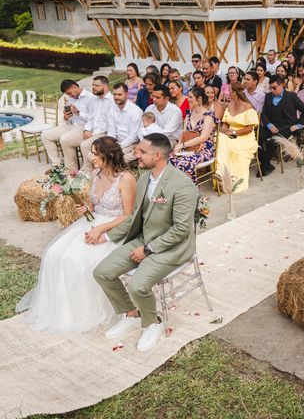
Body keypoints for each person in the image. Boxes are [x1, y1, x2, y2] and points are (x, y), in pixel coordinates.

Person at [17, 136, 137, 333]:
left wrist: (101, 228)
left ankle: (83, 313)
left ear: (108, 156)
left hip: (114, 229)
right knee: (55, 253)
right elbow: (95, 203)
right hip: (92, 222)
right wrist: (87, 208)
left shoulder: (126, 179)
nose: (91, 157)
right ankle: (61, 309)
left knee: (76, 260)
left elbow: (128, 215)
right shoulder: (97, 173)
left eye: (96, 154)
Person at [93, 133, 198, 352]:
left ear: (157, 155)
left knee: (137, 285)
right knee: (102, 272)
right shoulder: (144, 178)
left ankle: (153, 323)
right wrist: (107, 235)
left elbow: (181, 229)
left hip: (171, 248)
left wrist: (148, 249)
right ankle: (132, 314)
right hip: (143, 240)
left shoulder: (182, 184)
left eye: (141, 151)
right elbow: (133, 217)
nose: (135, 154)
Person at [258, 75, 304, 176]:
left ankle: (264, 166)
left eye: (274, 87)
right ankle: (266, 164)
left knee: (272, 143)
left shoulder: (291, 96)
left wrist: (299, 125)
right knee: (254, 140)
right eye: (270, 88)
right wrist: (269, 124)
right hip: (271, 126)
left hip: (287, 127)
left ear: (282, 85)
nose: (272, 90)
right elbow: (263, 114)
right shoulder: (268, 96)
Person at [42, 79, 96, 170]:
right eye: (67, 94)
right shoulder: (71, 98)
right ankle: (57, 165)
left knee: (65, 139)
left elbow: (94, 119)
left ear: (75, 87)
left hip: (84, 127)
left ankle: (71, 170)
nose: (70, 95)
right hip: (71, 126)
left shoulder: (90, 98)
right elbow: (69, 119)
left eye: (70, 93)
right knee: (45, 135)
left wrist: (78, 113)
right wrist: (66, 117)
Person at [216, 83, 259, 193]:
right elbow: (225, 122)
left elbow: (249, 128)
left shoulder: (248, 107)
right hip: (229, 134)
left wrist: (234, 132)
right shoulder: (229, 105)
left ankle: (231, 179)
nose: (227, 93)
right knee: (220, 137)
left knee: (231, 145)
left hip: (244, 136)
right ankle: (221, 172)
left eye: (229, 91)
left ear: (235, 92)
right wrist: (225, 130)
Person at [169, 87, 215, 184]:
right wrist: (179, 146)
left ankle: (190, 191)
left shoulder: (208, 116)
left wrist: (183, 145)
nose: (188, 99)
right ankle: (174, 188)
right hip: (187, 148)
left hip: (203, 149)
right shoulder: (189, 114)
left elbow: (203, 137)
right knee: (169, 158)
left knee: (184, 163)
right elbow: (184, 132)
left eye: (190, 97)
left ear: (199, 99)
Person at [80, 76, 113, 169]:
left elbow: (110, 124)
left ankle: (87, 171)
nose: (93, 87)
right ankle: (70, 170)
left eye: (96, 85)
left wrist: (94, 134)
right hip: (91, 131)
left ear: (106, 87)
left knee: (84, 145)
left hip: (104, 133)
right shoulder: (93, 100)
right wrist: (86, 129)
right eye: (93, 85)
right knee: (67, 140)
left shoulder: (112, 101)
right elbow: (90, 118)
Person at [107, 83, 143, 159]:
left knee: (112, 156)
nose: (116, 97)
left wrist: (118, 146)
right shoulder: (112, 109)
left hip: (131, 144)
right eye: (115, 94)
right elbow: (111, 132)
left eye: (119, 94)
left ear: (127, 95)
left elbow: (134, 136)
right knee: (99, 153)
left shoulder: (135, 111)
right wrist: (111, 144)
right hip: (116, 142)